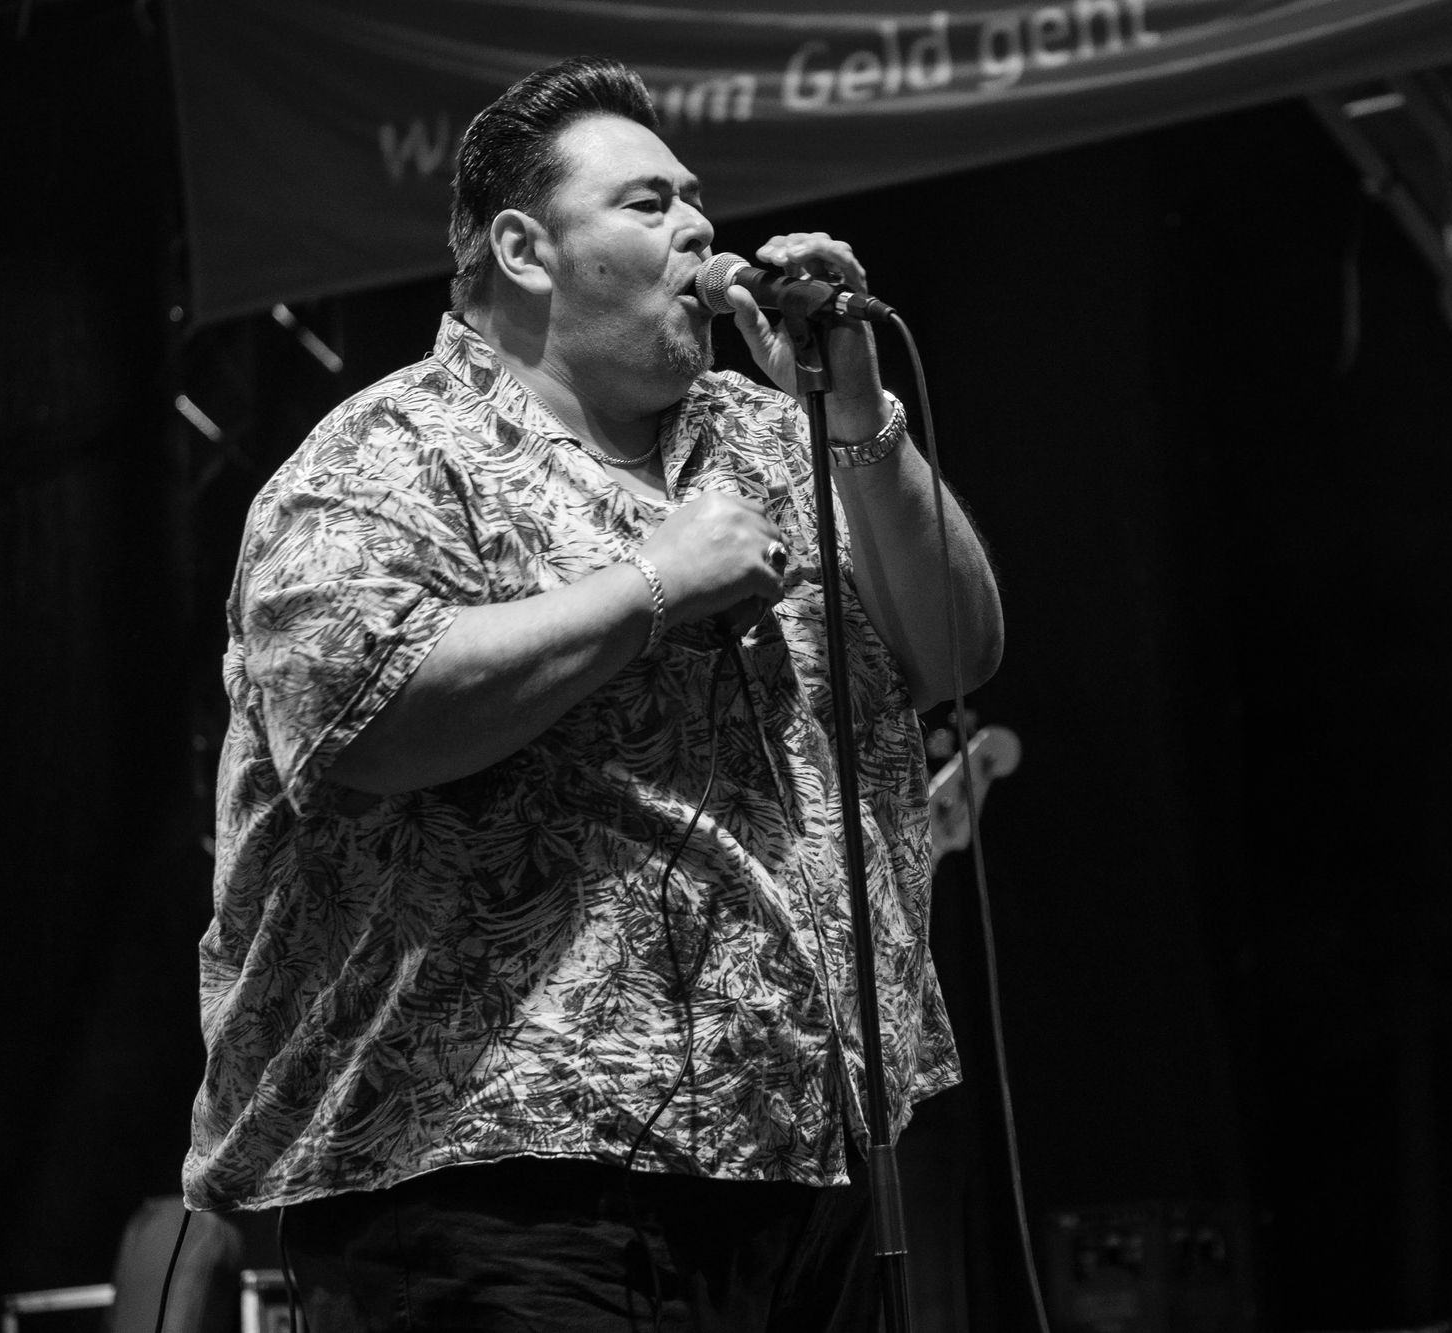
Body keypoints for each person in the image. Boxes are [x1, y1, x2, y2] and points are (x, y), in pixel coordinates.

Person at [183, 55, 1003, 1332]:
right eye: (646, 202)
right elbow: (357, 719)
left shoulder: (773, 435)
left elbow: (956, 651)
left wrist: (854, 414)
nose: (698, 227)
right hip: (494, 1172)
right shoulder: (386, 454)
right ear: (524, 250)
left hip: (807, 1154)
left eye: (695, 199)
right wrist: (652, 585)